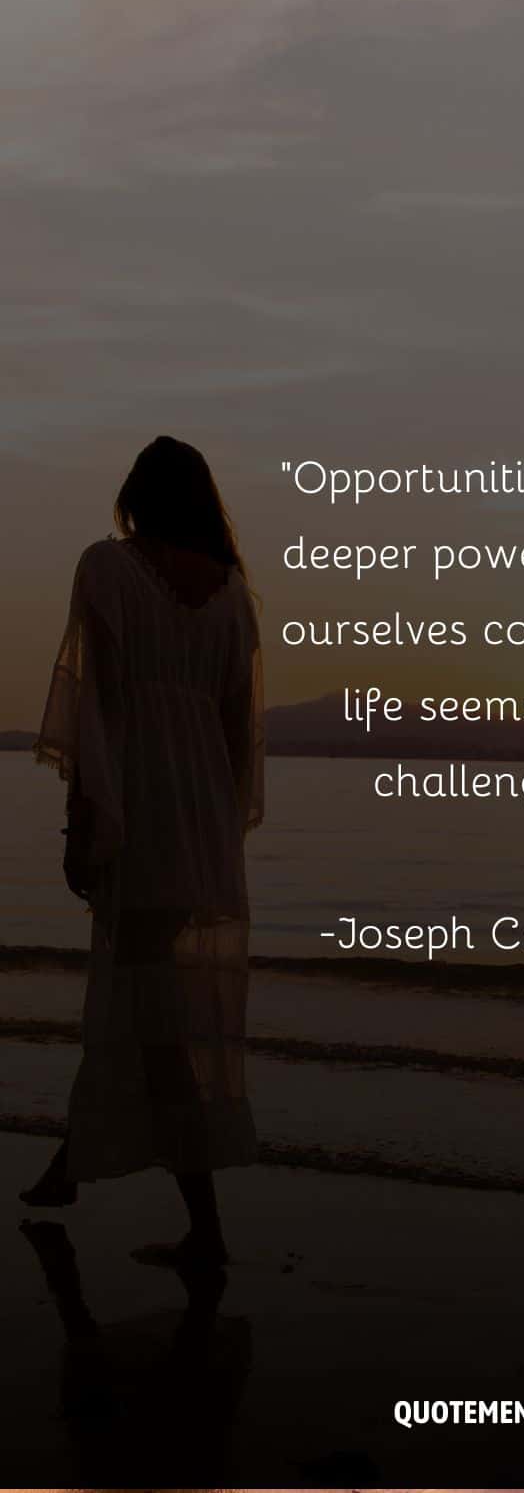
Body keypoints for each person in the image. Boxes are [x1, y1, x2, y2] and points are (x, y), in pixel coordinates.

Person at [22, 436, 265, 1268]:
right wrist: (221, 832)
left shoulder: (109, 570)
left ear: (137, 495)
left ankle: (203, 1228)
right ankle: (70, 1167)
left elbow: (94, 715)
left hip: (146, 822)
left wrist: (82, 824)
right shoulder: (234, 597)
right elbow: (238, 738)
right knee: (137, 1013)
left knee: (148, 1025)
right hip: (200, 828)